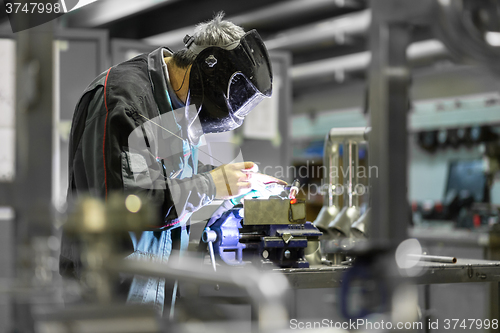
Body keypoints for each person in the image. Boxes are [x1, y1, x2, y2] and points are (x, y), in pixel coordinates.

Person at [59, 12, 285, 313]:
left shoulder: (175, 103)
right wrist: (210, 185)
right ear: (209, 67)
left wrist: (227, 180)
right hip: (108, 296)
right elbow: (131, 204)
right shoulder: (125, 101)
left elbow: (165, 174)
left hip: (152, 289)